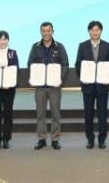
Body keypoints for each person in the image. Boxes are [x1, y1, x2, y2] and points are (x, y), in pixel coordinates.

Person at [28, 22, 69, 150]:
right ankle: (42, 139)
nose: (46, 33)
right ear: (41, 32)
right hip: (40, 87)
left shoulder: (59, 47)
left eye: (48, 31)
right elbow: (30, 64)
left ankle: (55, 139)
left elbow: (65, 64)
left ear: (52, 31)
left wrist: (60, 78)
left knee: (55, 115)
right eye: (44, 31)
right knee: (40, 115)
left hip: (54, 87)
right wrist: (33, 76)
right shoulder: (35, 47)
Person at [75, 20, 109, 149]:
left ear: (101, 31)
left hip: (102, 86)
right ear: (89, 31)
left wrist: (107, 78)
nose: (95, 32)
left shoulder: (108, 46)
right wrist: (84, 77)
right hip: (88, 86)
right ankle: (90, 139)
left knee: (102, 114)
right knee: (88, 114)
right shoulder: (82, 46)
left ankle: (102, 140)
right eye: (92, 30)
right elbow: (78, 64)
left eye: (97, 30)